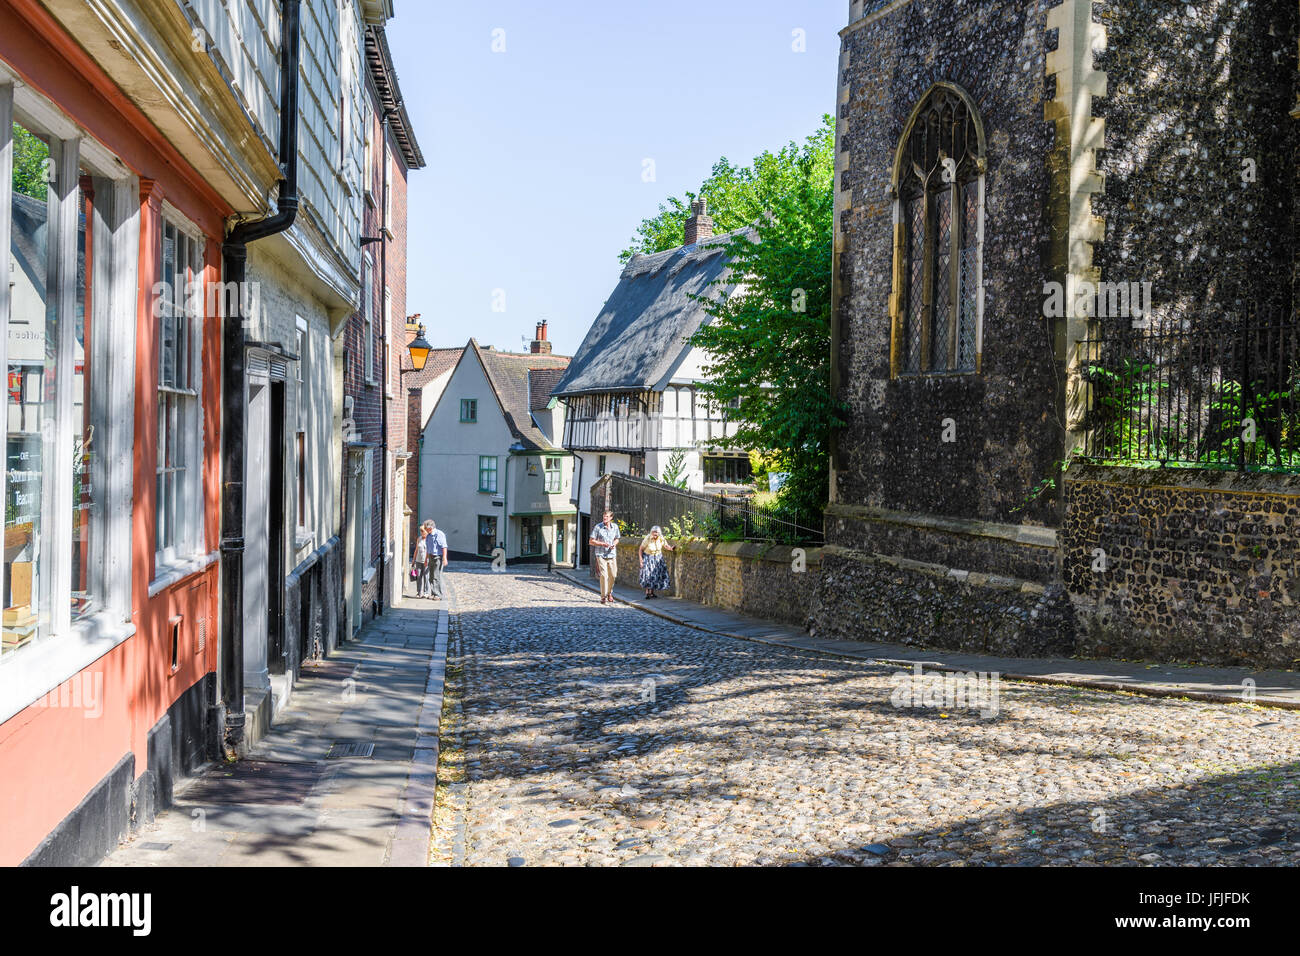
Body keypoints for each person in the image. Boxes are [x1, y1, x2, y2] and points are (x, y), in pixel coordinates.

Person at [588, 509, 620, 605]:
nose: (604, 518)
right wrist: (602, 544)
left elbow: (617, 538)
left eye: (606, 517)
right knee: (604, 575)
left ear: (611, 518)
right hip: (601, 554)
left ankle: (609, 592)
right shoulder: (598, 527)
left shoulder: (615, 527)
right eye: (604, 517)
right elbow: (591, 541)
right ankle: (603, 596)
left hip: (612, 554)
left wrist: (614, 544)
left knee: (613, 575)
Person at [638, 525, 674, 599]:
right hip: (648, 557)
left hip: (657, 558)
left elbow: (665, 545)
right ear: (651, 532)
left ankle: (652, 592)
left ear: (659, 533)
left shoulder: (661, 538)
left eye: (656, 533)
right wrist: (641, 560)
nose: (655, 534)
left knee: (656, 575)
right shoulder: (647, 538)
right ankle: (647, 592)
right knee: (648, 575)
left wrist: (670, 548)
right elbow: (641, 549)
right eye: (653, 533)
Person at [425, 520, 448, 600]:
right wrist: (426, 560)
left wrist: (445, 558)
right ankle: (433, 593)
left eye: (426, 528)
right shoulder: (428, 536)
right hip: (431, 556)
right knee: (431, 576)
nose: (425, 530)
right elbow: (428, 549)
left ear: (430, 528)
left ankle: (438, 595)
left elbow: (444, 547)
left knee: (436, 576)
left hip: (438, 557)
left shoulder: (439, 534)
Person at [412, 520, 433, 597]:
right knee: (418, 577)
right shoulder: (419, 539)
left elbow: (430, 551)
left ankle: (426, 592)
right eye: (421, 531)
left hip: (426, 561)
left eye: (423, 531)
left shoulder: (429, 539)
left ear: (426, 531)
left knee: (426, 577)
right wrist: (413, 561)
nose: (422, 533)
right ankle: (419, 592)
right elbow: (416, 550)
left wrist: (428, 561)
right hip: (418, 560)